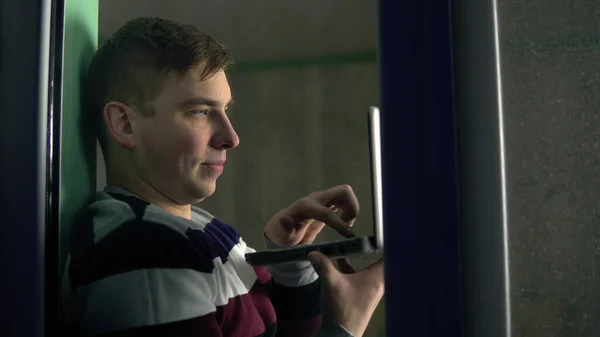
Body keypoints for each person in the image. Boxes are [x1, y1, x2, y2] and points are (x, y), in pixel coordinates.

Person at [61, 17, 384, 337]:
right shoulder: (145, 251)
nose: (230, 137)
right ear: (124, 123)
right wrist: (346, 325)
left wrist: (290, 263)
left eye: (225, 110)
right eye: (200, 111)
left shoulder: (199, 228)